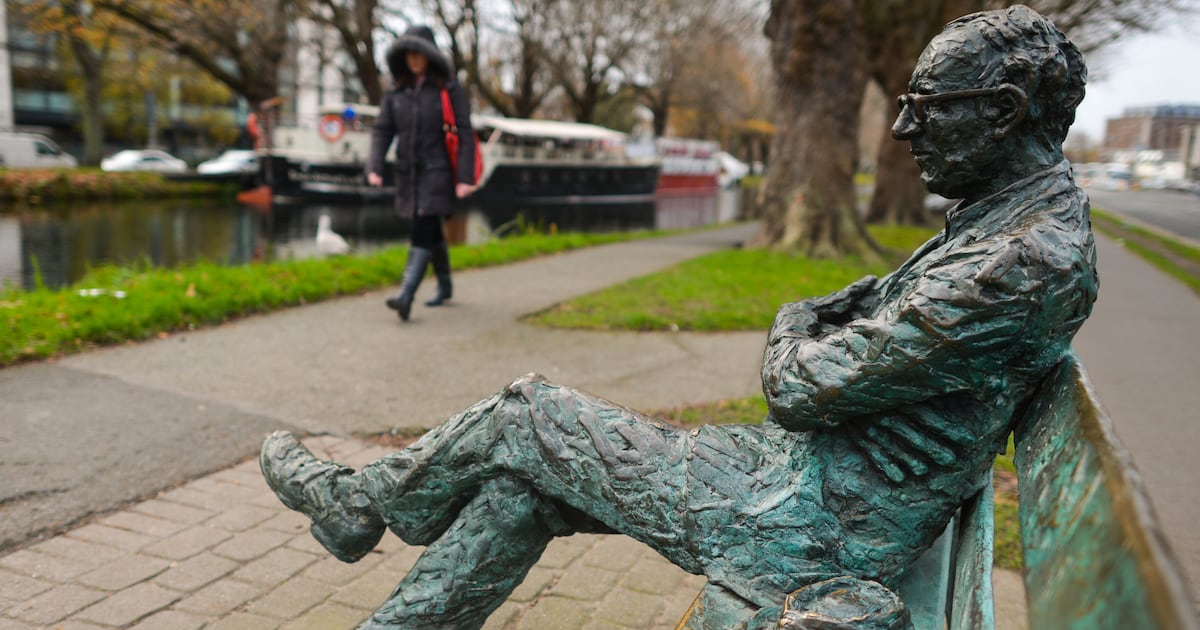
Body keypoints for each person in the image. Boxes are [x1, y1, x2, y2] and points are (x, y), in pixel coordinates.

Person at [262, 6, 1096, 628]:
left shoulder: (1022, 261)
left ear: (1003, 110)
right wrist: (829, 348)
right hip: (806, 482)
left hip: (809, 524)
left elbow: (797, 389)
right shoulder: (1009, 222)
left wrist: (792, 326)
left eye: (929, 106)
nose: (907, 128)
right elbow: (857, 340)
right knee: (522, 483)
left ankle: (360, 502)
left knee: (526, 414)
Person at [367, 25, 476, 321]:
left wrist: (465, 177)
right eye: (409, 54)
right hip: (408, 173)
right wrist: (375, 166)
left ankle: (406, 296)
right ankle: (445, 285)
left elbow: (465, 132)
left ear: (430, 56)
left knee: (422, 226)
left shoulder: (448, 89)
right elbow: (382, 130)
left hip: (438, 172)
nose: (414, 59)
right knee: (430, 228)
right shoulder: (396, 92)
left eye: (419, 53)